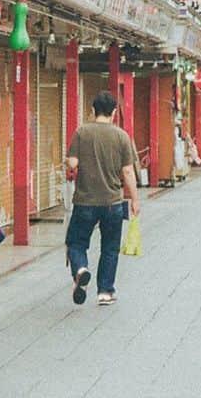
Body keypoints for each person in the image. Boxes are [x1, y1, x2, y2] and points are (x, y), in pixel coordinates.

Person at [65, 91, 140, 307]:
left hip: (85, 201)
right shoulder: (121, 136)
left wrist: (70, 162)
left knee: (76, 242)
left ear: (92, 110)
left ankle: (80, 269)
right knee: (110, 247)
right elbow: (127, 171)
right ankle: (106, 291)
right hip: (113, 202)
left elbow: (72, 163)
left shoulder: (82, 132)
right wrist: (134, 200)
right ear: (114, 113)